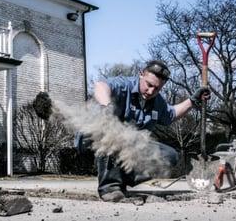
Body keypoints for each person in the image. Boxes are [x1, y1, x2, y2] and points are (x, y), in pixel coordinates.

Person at [88, 59, 210, 202]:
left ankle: (122, 178)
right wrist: (106, 106)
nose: (151, 91)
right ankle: (110, 187)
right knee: (112, 132)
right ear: (141, 74)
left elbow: (171, 114)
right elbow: (101, 86)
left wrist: (192, 101)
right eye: (149, 85)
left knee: (169, 155)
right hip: (99, 138)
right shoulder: (124, 85)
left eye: (157, 88)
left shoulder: (157, 101)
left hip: (131, 146)